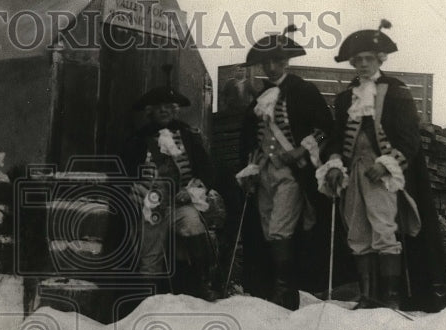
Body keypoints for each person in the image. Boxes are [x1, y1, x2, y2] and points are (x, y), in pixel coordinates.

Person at [318, 20, 446, 311]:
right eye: (358, 60)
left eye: (369, 59)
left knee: (384, 230)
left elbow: (409, 139)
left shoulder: (397, 92)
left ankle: (391, 297)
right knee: (357, 233)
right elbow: (336, 139)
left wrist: (387, 164)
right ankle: (368, 296)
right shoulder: (344, 100)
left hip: (384, 176)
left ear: (380, 60)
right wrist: (336, 163)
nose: (363, 65)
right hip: (354, 174)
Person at [236, 26, 335, 309]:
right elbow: (250, 139)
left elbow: (324, 129)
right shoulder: (258, 98)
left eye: (276, 61)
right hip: (264, 172)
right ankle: (274, 287)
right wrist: (250, 168)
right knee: (268, 229)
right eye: (266, 62)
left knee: (280, 228)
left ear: (286, 62)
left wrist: (302, 149)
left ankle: (285, 290)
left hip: (292, 174)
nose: (270, 67)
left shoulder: (304, 90)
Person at [122, 84, 221, 301]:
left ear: (176, 109)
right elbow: (126, 175)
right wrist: (138, 192)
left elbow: (207, 171)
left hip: (181, 203)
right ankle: (148, 302)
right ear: (150, 111)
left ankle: (202, 284)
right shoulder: (138, 139)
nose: (164, 111)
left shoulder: (189, 136)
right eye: (159, 107)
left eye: (168, 106)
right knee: (150, 256)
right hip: (152, 207)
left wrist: (191, 192)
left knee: (195, 227)